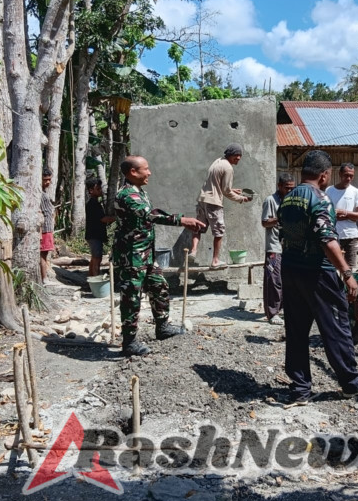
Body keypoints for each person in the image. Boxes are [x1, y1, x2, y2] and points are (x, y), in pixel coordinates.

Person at [278, 149, 358, 405]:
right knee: (336, 328)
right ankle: (352, 383)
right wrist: (347, 274)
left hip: (289, 270)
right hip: (317, 273)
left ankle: (300, 389)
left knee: (297, 331)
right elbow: (328, 241)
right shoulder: (320, 199)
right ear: (324, 175)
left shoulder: (288, 198)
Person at [114, 156, 205, 356]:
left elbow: (151, 211)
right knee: (131, 297)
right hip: (132, 256)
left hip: (146, 253)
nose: (150, 172)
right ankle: (129, 342)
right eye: (145, 169)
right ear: (133, 172)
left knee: (159, 286)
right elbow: (150, 215)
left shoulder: (140, 192)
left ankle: (162, 327)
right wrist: (181, 220)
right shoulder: (127, 195)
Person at [190, 143, 251, 268]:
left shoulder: (218, 162)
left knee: (198, 227)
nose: (239, 158)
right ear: (230, 155)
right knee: (219, 232)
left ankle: (193, 250)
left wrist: (233, 190)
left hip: (203, 199)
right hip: (214, 202)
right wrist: (241, 199)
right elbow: (226, 191)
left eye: (240, 155)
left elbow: (217, 184)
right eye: (236, 155)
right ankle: (215, 260)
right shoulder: (228, 168)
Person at [260, 173, 295, 325]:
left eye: (292, 188)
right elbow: (265, 222)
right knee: (273, 281)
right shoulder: (270, 200)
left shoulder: (291, 200)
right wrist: (281, 217)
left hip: (288, 247)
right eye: (287, 188)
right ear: (279, 186)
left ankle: (281, 310)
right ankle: (272, 313)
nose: (290, 191)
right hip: (274, 246)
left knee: (286, 281)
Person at [326, 162, 358, 270]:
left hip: (350, 236)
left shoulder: (355, 192)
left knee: (350, 269)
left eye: (351, 176)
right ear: (340, 174)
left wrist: (346, 213)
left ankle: (349, 287)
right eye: (346, 175)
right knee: (331, 267)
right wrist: (334, 215)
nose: (348, 178)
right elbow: (324, 212)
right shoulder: (329, 191)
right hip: (332, 235)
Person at [85, 177, 115, 277]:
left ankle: (90, 279)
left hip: (94, 235)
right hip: (94, 235)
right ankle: (95, 279)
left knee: (95, 258)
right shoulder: (93, 204)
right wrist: (117, 217)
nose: (100, 191)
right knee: (97, 259)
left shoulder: (95, 203)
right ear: (91, 190)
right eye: (98, 189)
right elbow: (103, 219)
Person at [40, 168, 56, 284]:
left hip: (48, 228)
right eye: (45, 180)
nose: (48, 182)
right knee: (43, 253)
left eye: (49, 180)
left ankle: (44, 276)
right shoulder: (39, 194)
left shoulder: (44, 193)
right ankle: (44, 278)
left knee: (45, 253)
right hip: (44, 228)